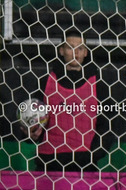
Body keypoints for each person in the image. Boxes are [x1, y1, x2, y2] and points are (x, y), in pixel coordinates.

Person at [22, 29, 113, 172]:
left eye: (80, 48)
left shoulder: (98, 85)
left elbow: (108, 124)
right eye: (70, 47)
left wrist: (93, 154)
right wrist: (30, 134)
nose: (75, 53)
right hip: (49, 162)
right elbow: (34, 119)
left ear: (86, 52)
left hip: (84, 165)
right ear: (61, 51)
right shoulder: (46, 82)